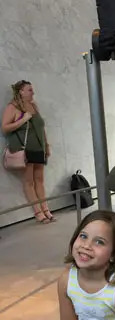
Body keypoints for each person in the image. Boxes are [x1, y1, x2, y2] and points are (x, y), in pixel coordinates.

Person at [2, 80, 54, 223]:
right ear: (21, 91)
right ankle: (38, 213)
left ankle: (46, 210)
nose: (33, 92)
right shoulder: (13, 107)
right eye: (30, 90)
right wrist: (23, 119)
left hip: (39, 148)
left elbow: (41, 127)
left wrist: (46, 145)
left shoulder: (33, 106)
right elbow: (5, 128)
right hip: (24, 149)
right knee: (29, 182)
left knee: (40, 180)